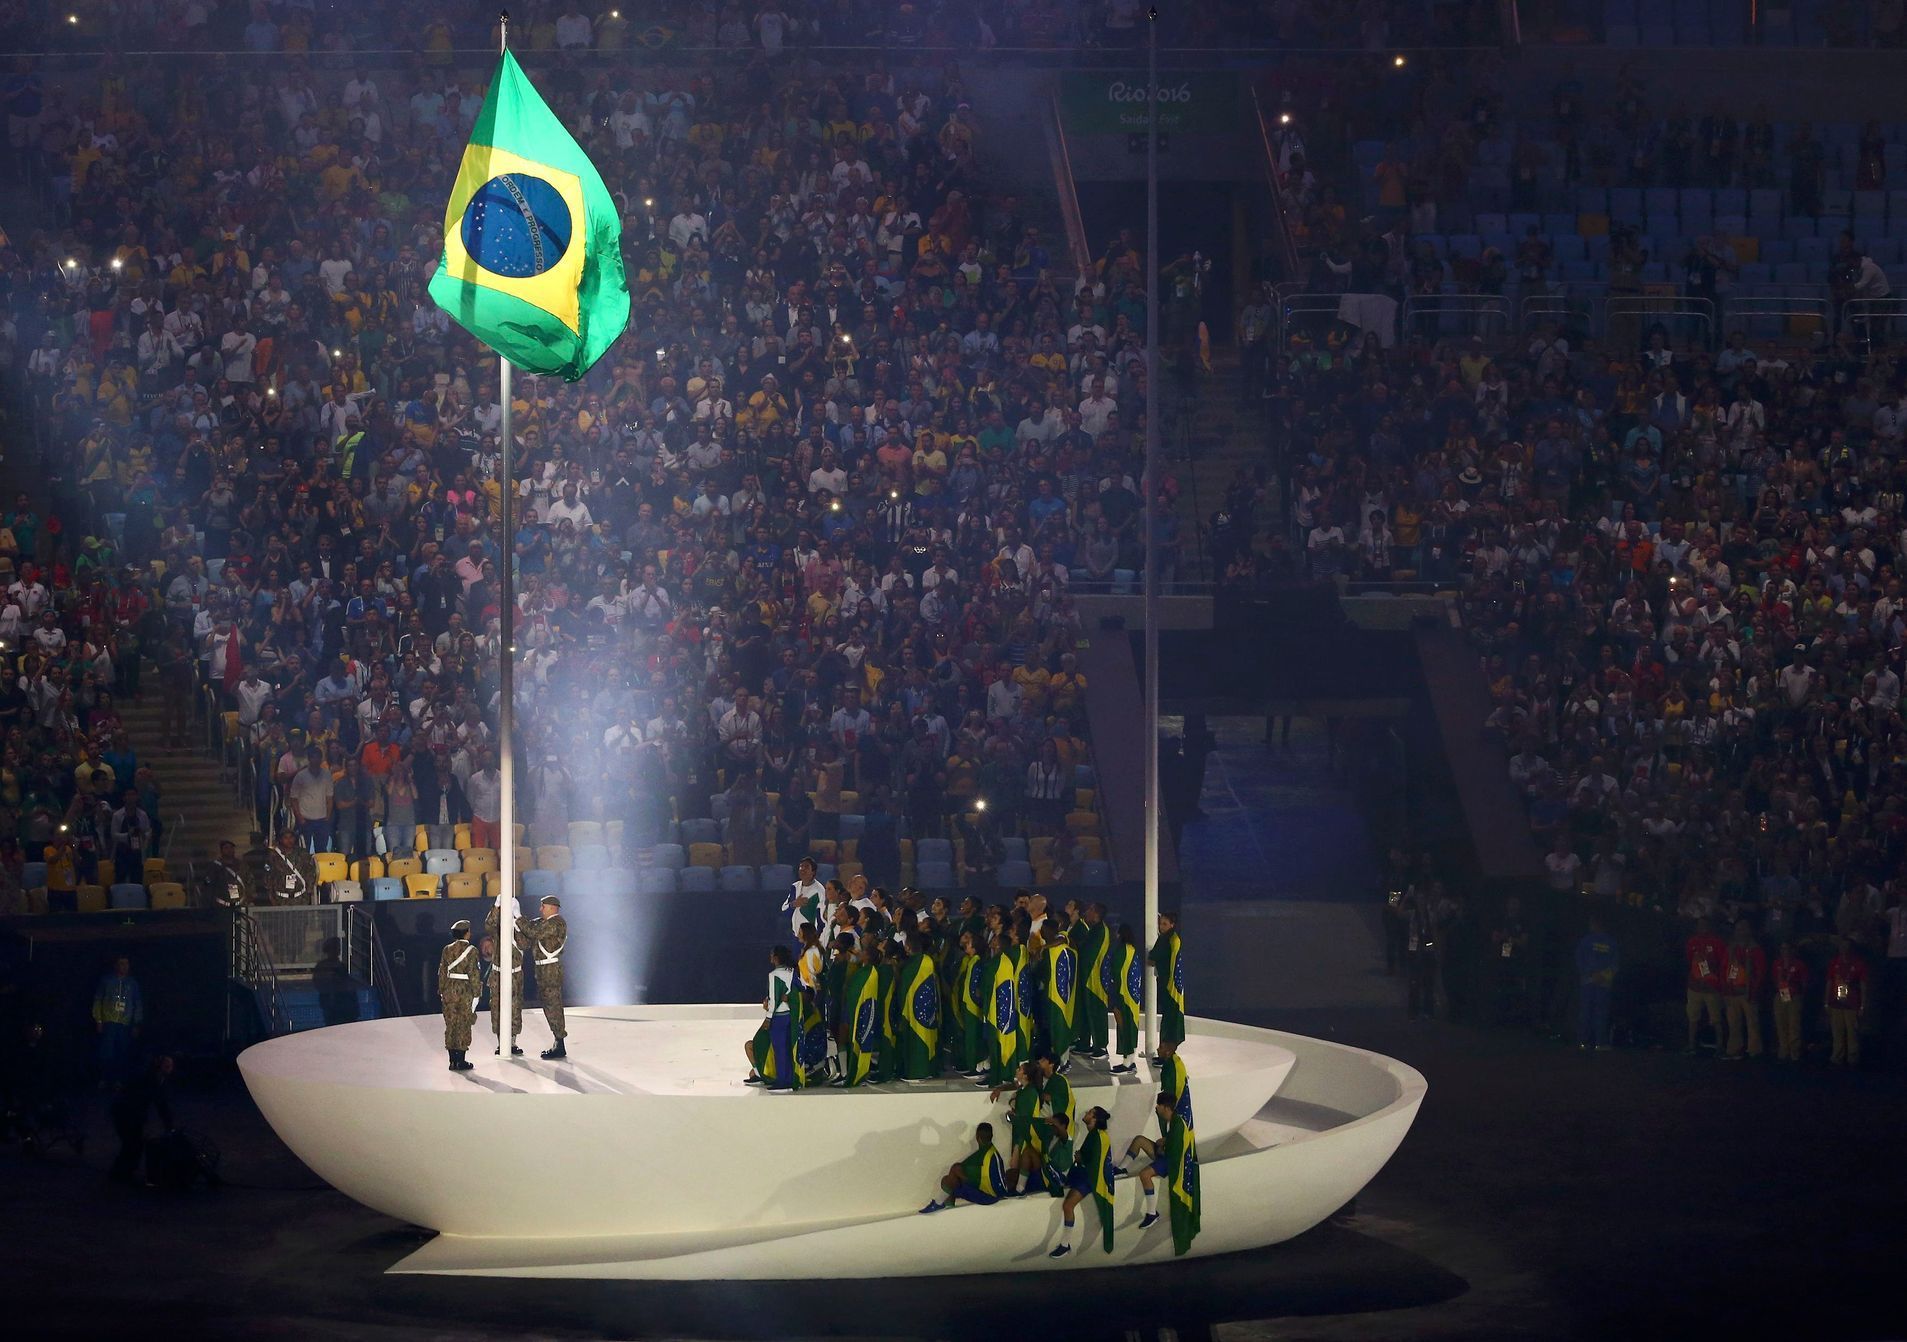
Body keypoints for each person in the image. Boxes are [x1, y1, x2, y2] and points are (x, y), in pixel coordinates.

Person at [1117, 1091, 1201, 1255]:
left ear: (1166, 1108)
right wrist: (1164, 1142)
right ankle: (1121, 1168)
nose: (1156, 1107)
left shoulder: (1177, 1123)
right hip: (1165, 1153)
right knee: (1139, 1140)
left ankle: (1151, 1213)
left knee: (1144, 1174)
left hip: (1171, 1161)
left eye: (1159, 1105)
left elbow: (1174, 1151)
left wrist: (1162, 1147)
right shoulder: (1173, 1121)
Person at [1048, 1105, 1116, 1258]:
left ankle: (1065, 1245)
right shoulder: (1096, 1135)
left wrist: (1080, 1158)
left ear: (1095, 1118)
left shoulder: (1097, 1136)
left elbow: (1094, 1160)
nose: (1086, 1113)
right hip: (1086, 1177)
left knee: (1067, 1205)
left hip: (1089, 1179)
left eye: (1090, 1112)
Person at [108, 1054, 174, 1186]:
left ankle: (123, 1172)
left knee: (132, 1143)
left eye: (170, 1066)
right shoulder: (152, 1079)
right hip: (126, 1112)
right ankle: (121, 1173)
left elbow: (160, 1104)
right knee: (132, 1142)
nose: (170, 1069)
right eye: (167, 1066)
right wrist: (169, 1126)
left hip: (127, 1112)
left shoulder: (153, 1078)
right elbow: (160, 1104)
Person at [918, 1121, 1008, 1213]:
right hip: (996, 1194)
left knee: (950, 1178)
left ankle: (938, 1204)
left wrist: (963, 1178)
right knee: (953, 1179)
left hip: (987, 1197)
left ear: (978, 1137)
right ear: (991, 1136)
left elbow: (959, 1169)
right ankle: (948, 1207)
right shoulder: (993, 1152)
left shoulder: (982, 1156)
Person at [745, 944, 797, 1089]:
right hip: (791, 1015)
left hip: (779, 1017)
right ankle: (789, 1078)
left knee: (779, 1049)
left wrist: (768, 1018)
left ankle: (783, 1082)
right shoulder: (792, 971)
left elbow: (774, 999)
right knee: (787, 1048)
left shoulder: (774, 975)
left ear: (775, 957)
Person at [484, 900, 530, 1055]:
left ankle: (512, 1041)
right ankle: (501, 1041)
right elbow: (489, 925)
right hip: (498, 973)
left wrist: (517, 923)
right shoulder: (497, 927)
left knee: (515, 1007)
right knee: (497, 1007)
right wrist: (496, 906)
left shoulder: (520, 925)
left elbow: (525, 944)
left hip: (515, 974)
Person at [895, 930, 941, 1083]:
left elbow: (904, 991)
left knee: (915, 1040)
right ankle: (929, 1069)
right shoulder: (928, 961)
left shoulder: (911, 965)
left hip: (912, 1013)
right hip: (928, 1010)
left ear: (908, 947)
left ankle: (917, 1072)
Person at [92, 955, 143, 1088]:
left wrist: (137, 1023)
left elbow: (137, 1003)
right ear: (116, 965)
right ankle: (104, 1078)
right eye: (121, 963)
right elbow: (98, 1000)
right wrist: (98, 1019)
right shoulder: (106, 980)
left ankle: (119, 1080)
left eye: (126, 964)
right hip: (109, 1020)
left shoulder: (132, 983)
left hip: (125, 1022)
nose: (124, 966)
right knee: (106, 1052)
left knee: (122, 1052)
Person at [528, 895, 569, 1059]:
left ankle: (560, 1043)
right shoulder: (548, 922)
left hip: (550, 970)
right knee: (549, 1005)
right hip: (544, 970)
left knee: (553, 1005)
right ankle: (558, 1041)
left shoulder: (557, 922)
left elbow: (532, 932)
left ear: (552, 907)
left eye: (543, 906)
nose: (540, 909)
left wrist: (518, 919)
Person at [1070, 901, 1112, 1060]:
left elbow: (1086, 952)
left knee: (1097, 1012)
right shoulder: (1095, 929)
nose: (1086, 912)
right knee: (1086, 1012)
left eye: (1090, 910)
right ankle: (1085, 1043)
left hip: (1095, 980)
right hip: (1088, 978)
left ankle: (1101, 1046)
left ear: (1096, 913)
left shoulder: (1100, 931)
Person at [1721, 920, 1766, 1061]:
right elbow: (1724, 969)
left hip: (1747, 993)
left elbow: (1760, 973)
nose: (1740, 932)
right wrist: (1725, 990)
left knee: (1752, 1023)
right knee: (1733, 1023)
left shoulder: (1755, 950)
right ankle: (1734, 1049)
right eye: (1738, 929)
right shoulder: (1730, 949)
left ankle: (1754, 1051)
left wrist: (1753, 991)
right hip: (1732, 992)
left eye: (1743, 929)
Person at [437, 919, 479, 1071]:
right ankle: (461, 1061)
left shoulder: (447, 949)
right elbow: (474, 973)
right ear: (467, 933)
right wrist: (477, 993)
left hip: (448, 989)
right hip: (464, 990)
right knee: (463, 1024)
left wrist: (441, 990)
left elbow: (442, 972)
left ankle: (452, 1061)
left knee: (451, 1024)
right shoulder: (472, 950)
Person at [1574, 917, 1619, 1051]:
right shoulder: (1612, 943)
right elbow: (1615, 964)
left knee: (1586, 1011)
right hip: (1604, 982)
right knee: (1601, 1012)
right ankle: (1600, 1042)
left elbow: (1579, 960)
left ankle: (1583, 1041)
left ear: (1594, 924)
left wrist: (1590, 974)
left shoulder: (1586, 941)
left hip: (1588, 980)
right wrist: (1603, 976)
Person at [1684, 917, 1727, 1055]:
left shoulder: (1717, 942)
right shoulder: (1692, 942)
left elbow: (1722, 963)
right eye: (1699, 924)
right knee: (1692, 1017)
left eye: (1705, 924)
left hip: (1712, 987)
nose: (1702, 927)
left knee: (1716, 1018)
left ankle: (1720, 1047)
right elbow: (1690, 960)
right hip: (1695, 987)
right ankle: (1691, 1045)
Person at [1825, 935, 1869, 1067]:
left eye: (1847, 946)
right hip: (1836, 1002)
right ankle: (1837, 1057)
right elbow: (1829, 982)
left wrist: (1862, 1005)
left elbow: (1863, 985)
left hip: (1852, 1003)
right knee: (1837, 1032)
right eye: (1842, 946)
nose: (1844, 949)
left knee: (1852, 1033)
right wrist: (1826, 1001)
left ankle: (1853, 1059)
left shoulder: (1859, 964)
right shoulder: (1834, 963)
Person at [1770, 938, 1809, 1063]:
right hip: (1781, 994)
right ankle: (1783, 1049)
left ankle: (1794, 1051)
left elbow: (1804, 982)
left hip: (1794, 996)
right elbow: (1775, 979)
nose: (1784, 951)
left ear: (1793, 950)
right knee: (1781, 1023)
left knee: (1794, 1024)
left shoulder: (1799, 965)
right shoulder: (1777, 963)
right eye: (1782, 948)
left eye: (1787, 948)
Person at [1111, 922, 1142, 1073]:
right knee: (1130, 1025)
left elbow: (1115, 973)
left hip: (1122, 995)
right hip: (1132, 997)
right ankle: (1129, 1060)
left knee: (1124, 1026)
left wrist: (1114, 997)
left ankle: (1128, 1063)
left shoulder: (1120, 951)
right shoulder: (1133, 950)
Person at [262, 828, 317, 904]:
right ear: (281, 839)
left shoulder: (302, 854)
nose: (289, 840)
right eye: (286, 838)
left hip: (300, 898)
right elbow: (268, 875)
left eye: (291, 837)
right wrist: (271, 895)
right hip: (280, 899)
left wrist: (309, 890)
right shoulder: (274, 856)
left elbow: (310, 871)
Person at [782, 856, 824, 941]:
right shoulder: (795, 887)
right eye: (801, 866)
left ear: (813, 871)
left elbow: (822, 918)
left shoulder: (820, 891)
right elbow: (784, 910)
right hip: (796, 936)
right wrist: (794, 904)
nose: (802, 869)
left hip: (811, 938)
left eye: (806, 867)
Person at [201, 838, 251, 907]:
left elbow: (249, 880)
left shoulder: (242, 865)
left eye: (231, 847)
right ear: (221, 850)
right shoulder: (215, 867)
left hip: (240, 903)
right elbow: (208, 885)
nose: (229, 850)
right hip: (221, 904)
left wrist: (249, 898)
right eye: (226, 848)